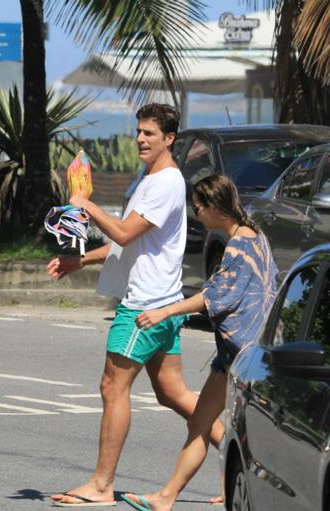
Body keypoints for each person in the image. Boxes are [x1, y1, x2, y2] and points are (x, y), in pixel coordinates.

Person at [47, 103, 208, 507]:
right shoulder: (153, 179)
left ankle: (102, 486)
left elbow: (122, 232)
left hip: (144, 307)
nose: (140, 138)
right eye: (138, 131)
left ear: (169, 139)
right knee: (173, 394)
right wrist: (79, 260)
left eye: (149, 133)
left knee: (112, 387)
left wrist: (85, 203)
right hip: (164, 303)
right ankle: (243, 455)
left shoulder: (165, 183)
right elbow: (131, 244)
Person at [122, 174, 278, 511]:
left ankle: (170, 497)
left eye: (199, 208)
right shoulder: (257, 236)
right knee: (203, 424)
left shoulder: (239, 245)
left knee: (223, 427)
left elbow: (215, 297)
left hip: (242, 355)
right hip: (242, 353)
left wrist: (164, 311)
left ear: (215, 207)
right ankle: (209, 490)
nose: (198, 215)